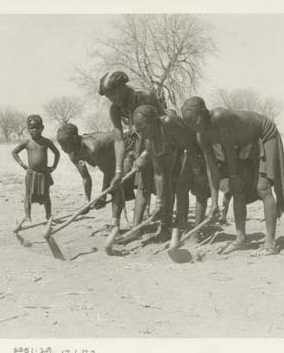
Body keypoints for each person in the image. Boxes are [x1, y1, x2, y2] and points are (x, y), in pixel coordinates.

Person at [181, 96, 284, 256]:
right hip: (244, 144)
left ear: (204, 112)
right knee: (236, 189)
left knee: (263, 188)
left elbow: (229, 150)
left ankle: (270, 243)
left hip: (264, 134)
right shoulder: (201, 135)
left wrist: (233, 176)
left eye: (194, 120)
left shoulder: (219, 117)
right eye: (188, 122)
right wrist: (214, 203)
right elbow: (212, 168)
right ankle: (240, 239)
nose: (193, 126)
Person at [98, 71, 166, 232]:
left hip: (158, 141)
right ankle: (115, 223)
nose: (113, 100)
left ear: (123, 87)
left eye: (114, 94)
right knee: (117, 182)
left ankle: (145, 224)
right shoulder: (115, 109)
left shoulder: (146, 97)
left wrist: (145, 155)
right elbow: (119, 140)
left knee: (145, 182)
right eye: (109, 97)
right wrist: (118, 170)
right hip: (137, 142)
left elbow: (163, 126)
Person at [132, 104, 209, 243]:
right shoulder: (150, 142)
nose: (141, 134)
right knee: (173, 188)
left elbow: (191, 146)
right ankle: (177, 228)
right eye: (138, 130)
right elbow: (160, 174)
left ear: (154, 121)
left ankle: (197, 231)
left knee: (197, 185)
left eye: (143, 128)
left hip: (198, 145)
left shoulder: (169, 122)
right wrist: (159, 202)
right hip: (183, 150)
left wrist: (197, 171)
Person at [56, 123, 135, 229]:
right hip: (112, 156)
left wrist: (102, 196)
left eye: (64, 144)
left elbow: (109, 173)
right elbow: (85, 177)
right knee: (113, 185)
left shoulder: (93, 148)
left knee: (115, 186)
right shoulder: (72, 153)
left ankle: (115, 224)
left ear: (74, 139)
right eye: (61, 145)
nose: (62, 148)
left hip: (129, 148)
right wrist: (87, 202)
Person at [12, 115, 60, 223]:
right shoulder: (27, 142)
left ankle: (48, 216)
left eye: (37, 127)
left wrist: (53, 166)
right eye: (32, 128)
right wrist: (22, 164)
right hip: (31, 174)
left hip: (44, 174)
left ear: (42, 128)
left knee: (46, 195)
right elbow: (14, 152)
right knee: (28, 195)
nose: (35, 130)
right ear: (28, 129)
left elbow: (57, 153)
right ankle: (28, 216)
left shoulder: (47, 142)